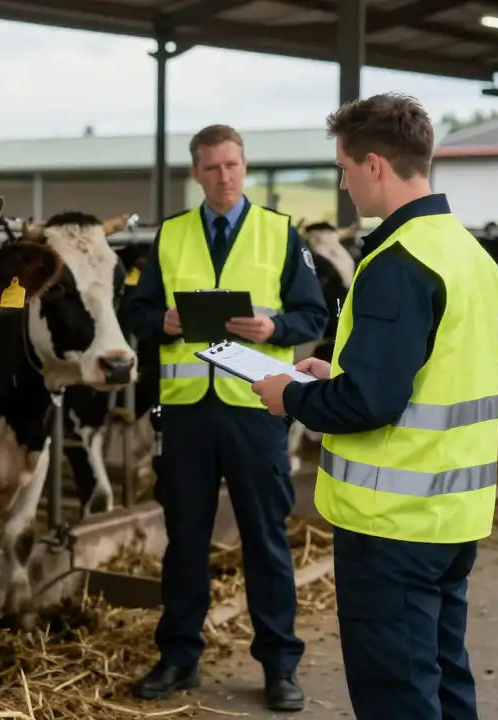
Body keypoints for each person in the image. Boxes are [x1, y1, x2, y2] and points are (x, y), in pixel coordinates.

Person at [251, 93, 498, 720]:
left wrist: (293, 396)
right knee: (444, 678)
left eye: (342, 168)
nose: (341, 183)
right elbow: (426, 374)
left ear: (375, 166)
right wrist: (335, 373)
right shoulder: (470, 255)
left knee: (398, 695)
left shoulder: (398, 261)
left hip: (393, 526)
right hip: (452, 516)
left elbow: (373, 401)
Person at [122, 123, 328, 711]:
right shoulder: (171, 236)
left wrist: (274, 329)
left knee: (266, 540)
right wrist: (158, 322)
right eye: (211, 167)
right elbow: (134, 309)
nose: (224, 176)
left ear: (245, 167)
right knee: (184, 539)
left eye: (233, 165)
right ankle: (179, 657)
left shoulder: (280, 234)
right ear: (196, 173)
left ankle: (280, 666)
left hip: (257, 408)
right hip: (186, 414)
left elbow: (311, 313)